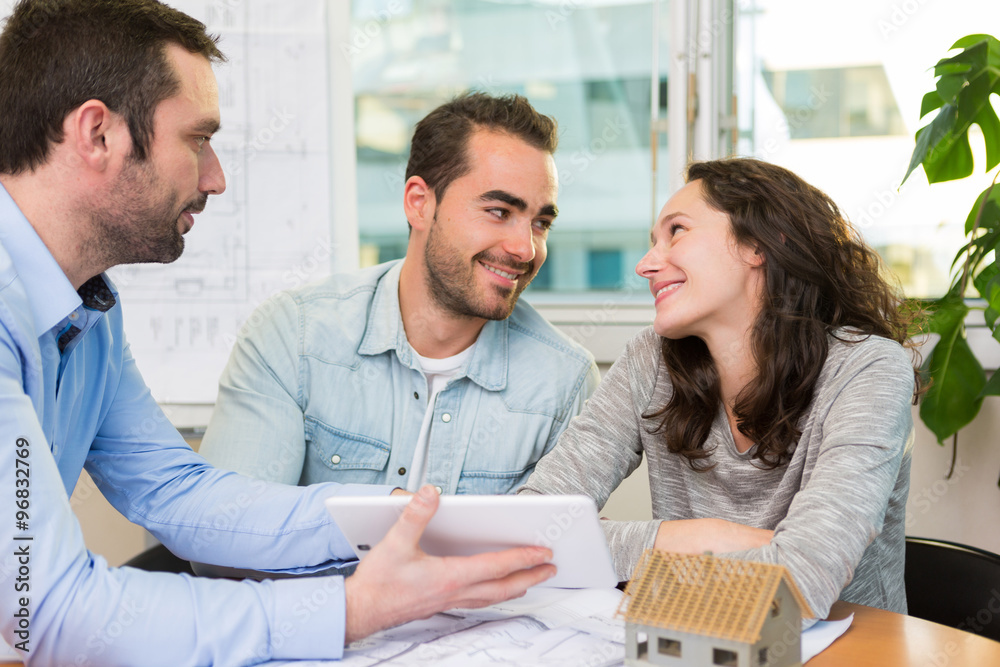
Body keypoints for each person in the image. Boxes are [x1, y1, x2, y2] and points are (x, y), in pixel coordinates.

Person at [0, 1, 554, 664]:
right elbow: (52, 610)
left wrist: (386, 515)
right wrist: (350, 610)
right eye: (198, 139)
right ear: (97, 134)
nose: (216, 177)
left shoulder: (90, 312)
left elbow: (175, 490)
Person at [519, 157, 920, 619]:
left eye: (677, 232)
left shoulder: (867, 367)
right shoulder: (649, 361)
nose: (646, 264)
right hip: (695, 641)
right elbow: (530, 532)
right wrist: (691, 538)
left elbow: (802, 582)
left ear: (759, 244)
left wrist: (599, 546)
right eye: (653, 242)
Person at [197, 93, 600, 495]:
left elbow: (556, 551)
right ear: (419, 204)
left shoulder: (565, 383)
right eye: (499, 212)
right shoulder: (294, 335)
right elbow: (228, 529)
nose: (525, 249)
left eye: (541, 223)